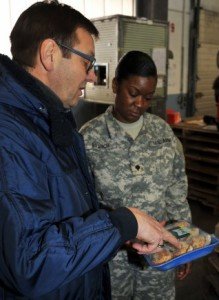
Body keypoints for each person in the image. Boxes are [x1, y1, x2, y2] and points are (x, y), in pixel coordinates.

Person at [0, 2, 180, 299]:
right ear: (50, 54)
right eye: (87, 63)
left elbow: (69, 212)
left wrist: (120, 228)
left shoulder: (52, 121)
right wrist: (122, 223)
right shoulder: (10, 135)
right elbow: (30, 261)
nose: (92, 77)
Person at [80, 51, 192, 300]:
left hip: (158, 255)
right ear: (116, 85)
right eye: (133, 94)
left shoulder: (163, 134)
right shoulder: (89, 138)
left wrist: (183, 245)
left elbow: (176, 193)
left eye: (148, 97)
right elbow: (81, 204)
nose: (140, 104)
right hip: (111, 257)